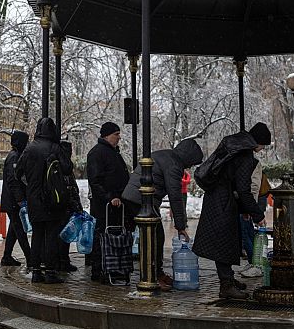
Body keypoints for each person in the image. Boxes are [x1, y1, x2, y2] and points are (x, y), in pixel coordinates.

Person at [192, 122, 270, 299]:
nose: (263, 148)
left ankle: (228, 279)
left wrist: (244, 209)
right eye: (264, 145)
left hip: (216, 198)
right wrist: (257, 214)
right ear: (258, 142)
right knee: (224, 244)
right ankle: (226, 285)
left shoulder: (234, 147)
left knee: (225, 242)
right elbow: (243, 189)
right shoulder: (245, 155)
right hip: (224, 202)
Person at [122, 138, 203, 291]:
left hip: (135, 197)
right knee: (155, 238)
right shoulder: (174, 165)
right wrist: (180, 226)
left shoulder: (165, 155)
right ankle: (152, 275)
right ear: (188, 157)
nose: (191, 166)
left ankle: (154, 272)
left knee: (150, 237)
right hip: (142, 199)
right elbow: (175, 196)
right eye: (192, 163)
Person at [16, 117, 72, 284]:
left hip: (34, 199)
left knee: (37, 235)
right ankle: (50, 271)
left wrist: (31, 185)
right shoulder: (55, 147)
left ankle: (36, 272)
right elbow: (67, 168)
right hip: (53, 199)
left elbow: (18, 172)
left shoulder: (29, 149)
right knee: (52, 236)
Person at [86, 122, 130, 282]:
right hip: (105, 205)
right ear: (106, 135)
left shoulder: (111, 152)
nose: (119, 138)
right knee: (101, 236)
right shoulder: (98, 153)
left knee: (111, 236)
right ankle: (99, 270)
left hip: (115, 204)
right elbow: (95, 180)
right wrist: (110, 197)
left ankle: (112, 268)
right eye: (116, 134)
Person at [0, 131, 31, 267]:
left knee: (14, 229)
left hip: (13, 201)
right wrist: (20, 200)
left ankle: (7, 257)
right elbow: (13, 181)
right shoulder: (14, 157)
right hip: (14, 202)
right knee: (20, 230)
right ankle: (30, 258)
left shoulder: (17, 155)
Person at [59, 140, 83, 272]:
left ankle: (62, 260)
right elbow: (70, 189)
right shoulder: (65, 167)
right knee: (64, 235)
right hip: (66, 206)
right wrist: (76, 205)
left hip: (64, 206)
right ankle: (63, 260)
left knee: (64, 234)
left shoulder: (62, 165)